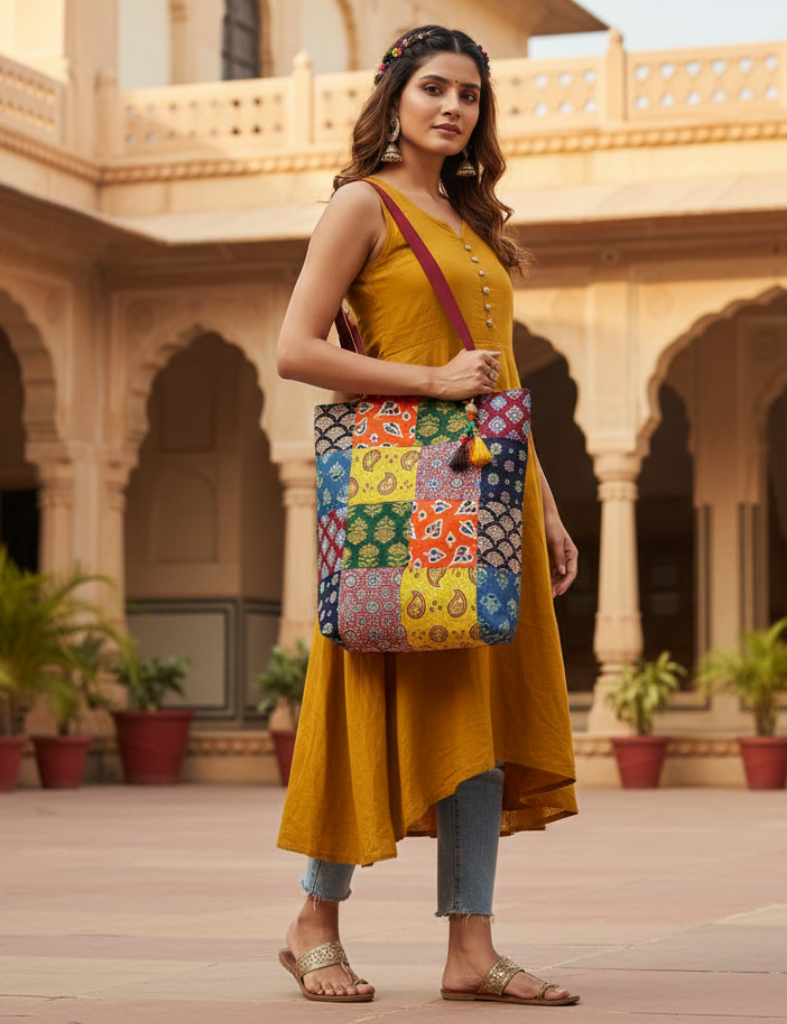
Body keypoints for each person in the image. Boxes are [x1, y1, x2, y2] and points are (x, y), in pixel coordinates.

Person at [274, 25, 580, 1007]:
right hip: (395, 498)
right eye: (434, 89)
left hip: (483, 491)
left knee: (478, 716)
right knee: (363, 700)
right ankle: (315, 920)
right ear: (394, 98)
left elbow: (502, 381)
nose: (453, 108)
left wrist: (546, 506)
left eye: (470, 96)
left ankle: (470, 948)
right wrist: (432, 380)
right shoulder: (361, 204)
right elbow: (295, 348)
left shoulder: (469, 218)